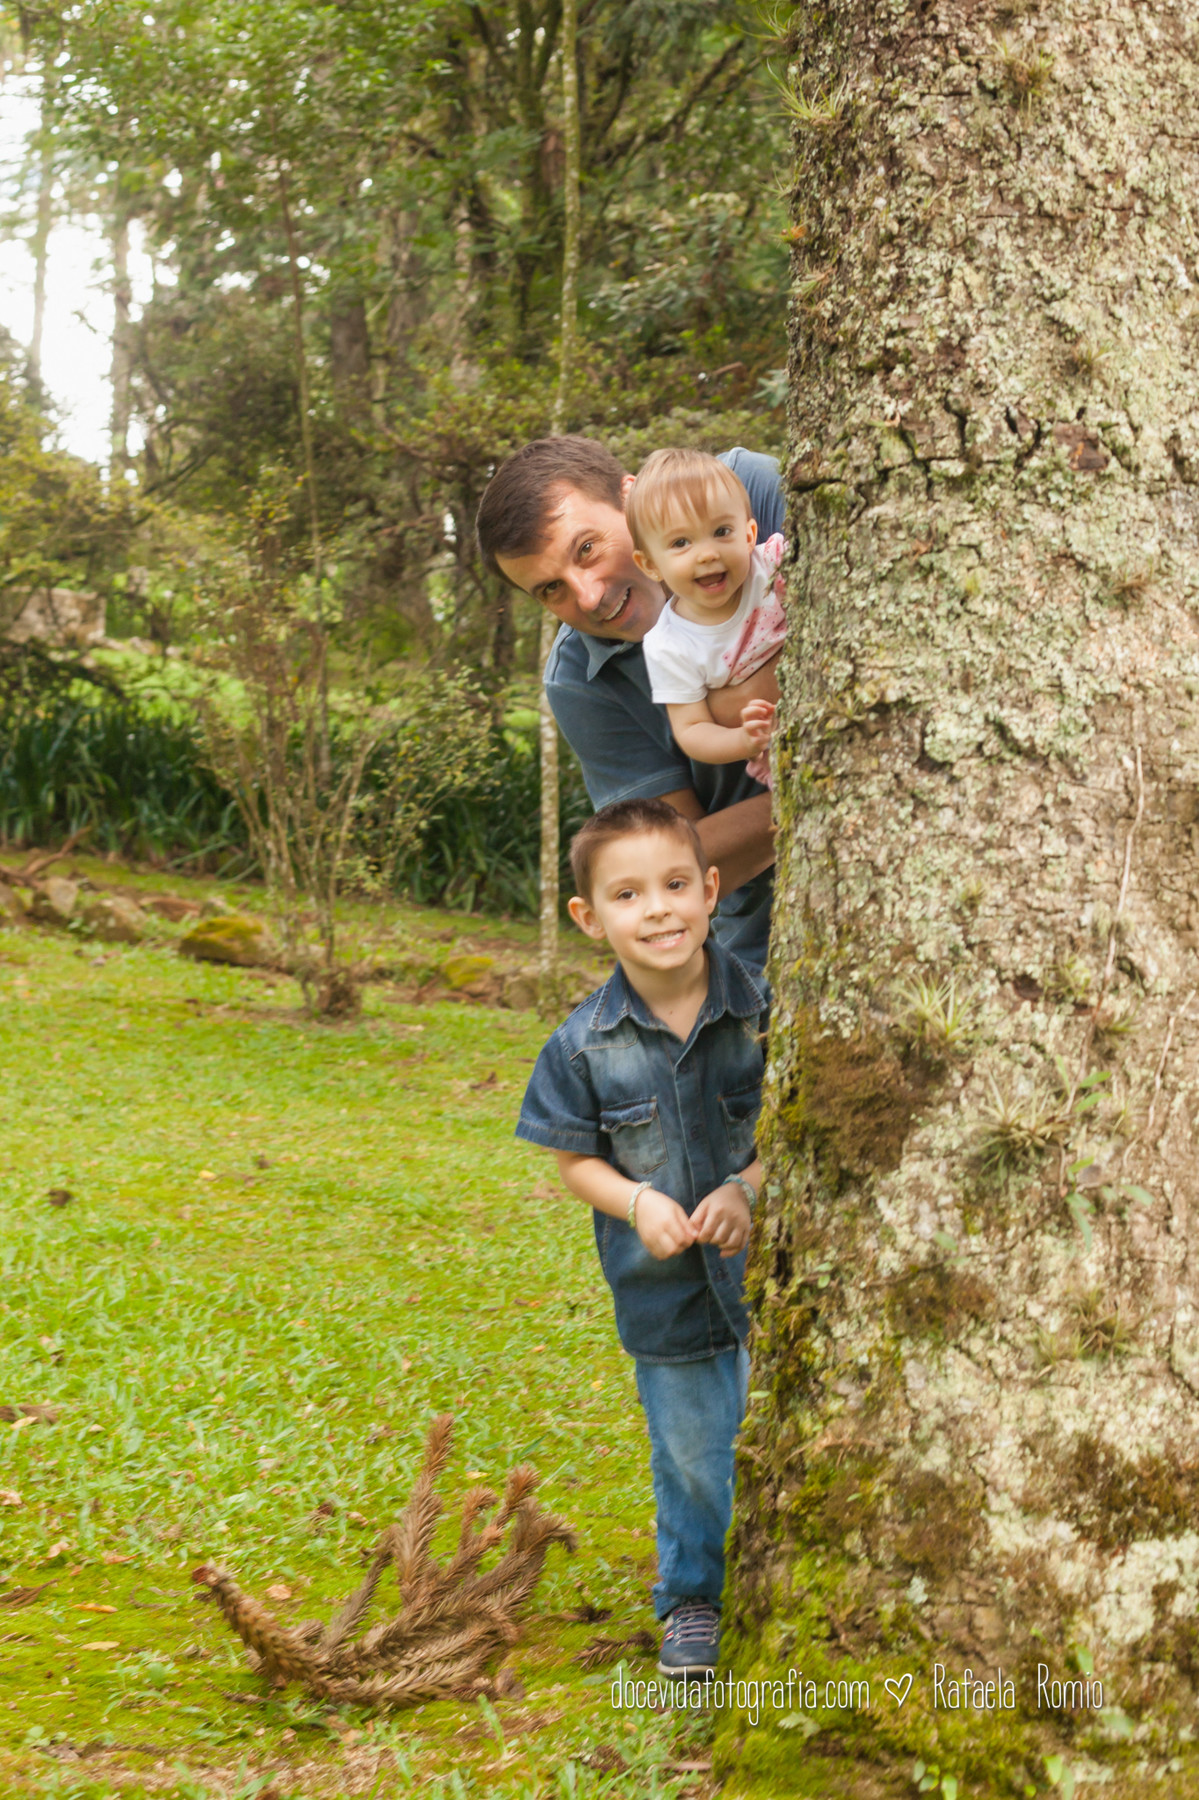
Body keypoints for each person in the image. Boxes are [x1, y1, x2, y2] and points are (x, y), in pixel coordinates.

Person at [515, 797, 767, 1677]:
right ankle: (693, 1598)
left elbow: (796, 1128)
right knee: (694, 1451)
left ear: (709, 888)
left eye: (672, 885)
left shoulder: (765, 1010)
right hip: (663, 1291)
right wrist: (635, 1203)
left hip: (774, 1281)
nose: (656, 909)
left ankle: (776, 1576)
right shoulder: (582, 1045)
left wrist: (747, 1186)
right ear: (589, 918)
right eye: (627, 895)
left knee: (784, 1432)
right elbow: (574, 1161)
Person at [475, 437, 784, 973]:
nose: (589, 596)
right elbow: (675, 863)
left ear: (630, 497)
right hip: (770, 936)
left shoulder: (743, 488)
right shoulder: (579, 680)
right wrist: (831, 780)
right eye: (551, 589)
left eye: (586, 549)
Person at [629, 448, 786, 787]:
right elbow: (691, 729)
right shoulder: (669, 645)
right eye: (681, 542)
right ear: (650, 565)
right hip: (783, 749)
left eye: (721, 532)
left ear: (749, 534)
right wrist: (742, 740)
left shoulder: (773, 565)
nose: (708, 553)